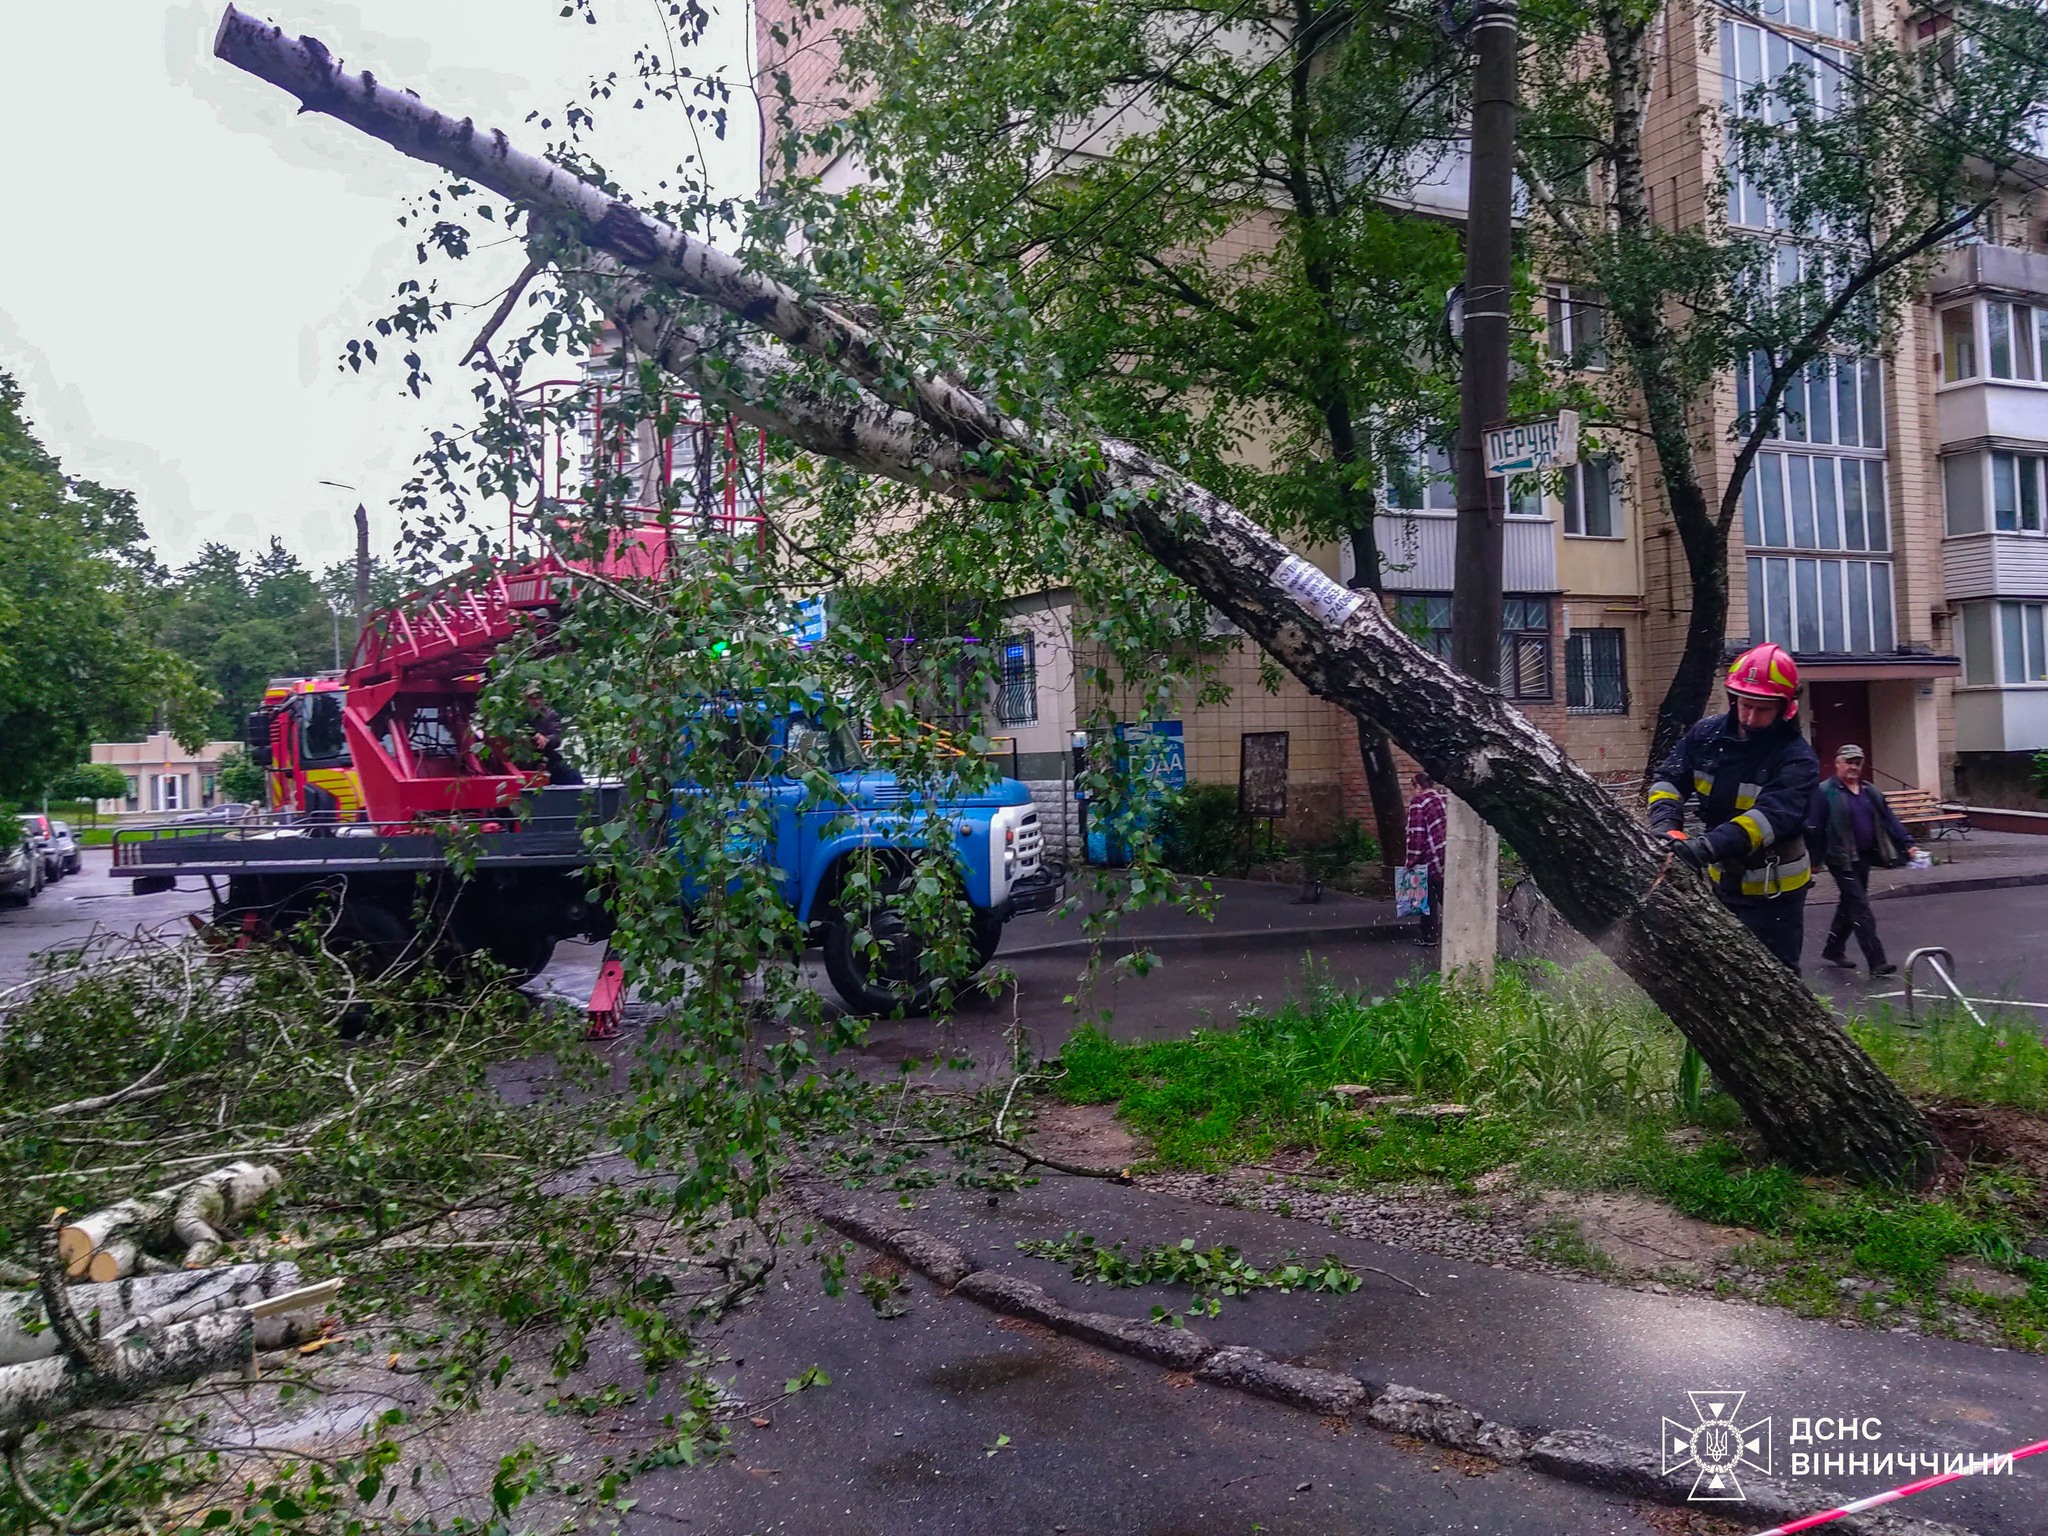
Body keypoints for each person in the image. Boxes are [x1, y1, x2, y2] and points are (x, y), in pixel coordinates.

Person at [1647, 643, 1820, 972]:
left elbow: (1765, 821)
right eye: (1745, 706)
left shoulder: (1796, 758)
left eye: (1762, 709)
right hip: (1720, 881)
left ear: (1785, 709)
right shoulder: (1706, 736)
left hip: (1774, 892)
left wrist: (1701, 849)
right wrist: (1666, 828)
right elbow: (1667, 781)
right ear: (1732, 698)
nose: (1751, 718)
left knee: (1772, 977)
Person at [1809, 744, 1918, 977]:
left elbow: (1890, 820)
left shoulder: (1870, 792)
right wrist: (1814, 860)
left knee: (1849, 905)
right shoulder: (1825, 791)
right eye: (1848, 762)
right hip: (1839, 857)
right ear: (1837, 764)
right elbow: (1815, 827)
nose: (1853, 767)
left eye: (1857, 763)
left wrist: (1907, 844)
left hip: (1864, 857)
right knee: (1860, 907)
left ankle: (1833, 950)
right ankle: (1877, 962)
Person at [1403, 769, 1447, 946]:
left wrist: (1410, 860)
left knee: (1427, 898)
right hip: (1445, 854)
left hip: (1429, 858)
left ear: (1418, 786)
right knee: (1445, 895)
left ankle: (1429, 936)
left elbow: (1417, 834)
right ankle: (1465, 928)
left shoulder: (1418, 802)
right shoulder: (1441, 798)